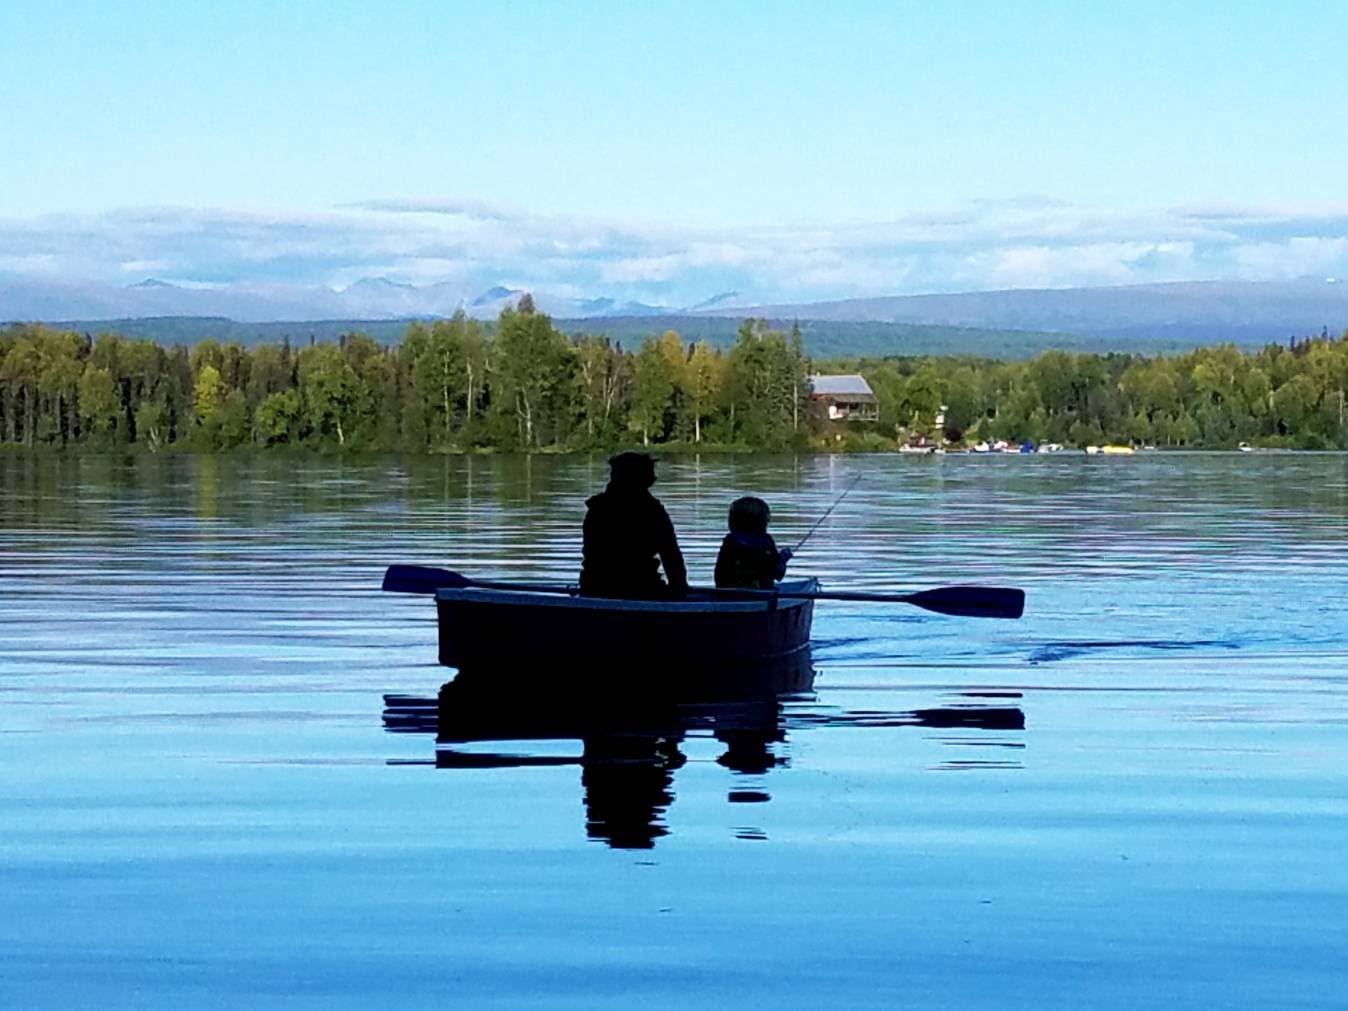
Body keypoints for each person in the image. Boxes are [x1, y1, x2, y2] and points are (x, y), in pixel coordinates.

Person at [579, 452, 688, 598]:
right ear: (641, 479)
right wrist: (680, 590)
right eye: (650, 475)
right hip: (643, 589)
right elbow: (671, 555)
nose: (654, 478)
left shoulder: (597, 509)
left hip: (594, 589)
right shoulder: (651, 511)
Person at [714, 496, 792, 589]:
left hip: (727, 592)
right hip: (760, 593)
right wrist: (782, 561)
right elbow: (778, 575)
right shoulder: (766, 541)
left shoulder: (730, 540)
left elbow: (719, 575)